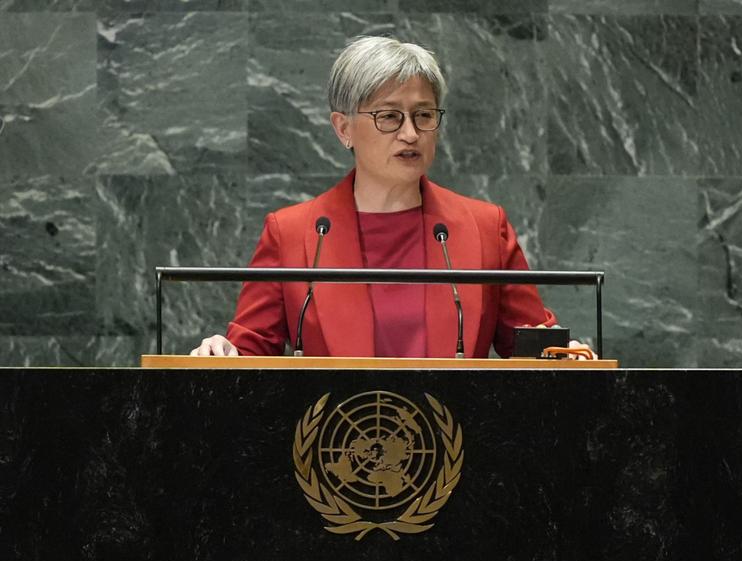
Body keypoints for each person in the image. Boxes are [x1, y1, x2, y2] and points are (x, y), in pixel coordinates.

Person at [192, 36, 590, 359]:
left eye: (424, 115)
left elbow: (532, 348)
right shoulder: (291, 233)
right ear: (343, 128)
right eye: (388, 116)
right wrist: (223, 352)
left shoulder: (485, 227)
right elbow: (247, 356)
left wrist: (561, 354)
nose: (411, 134)